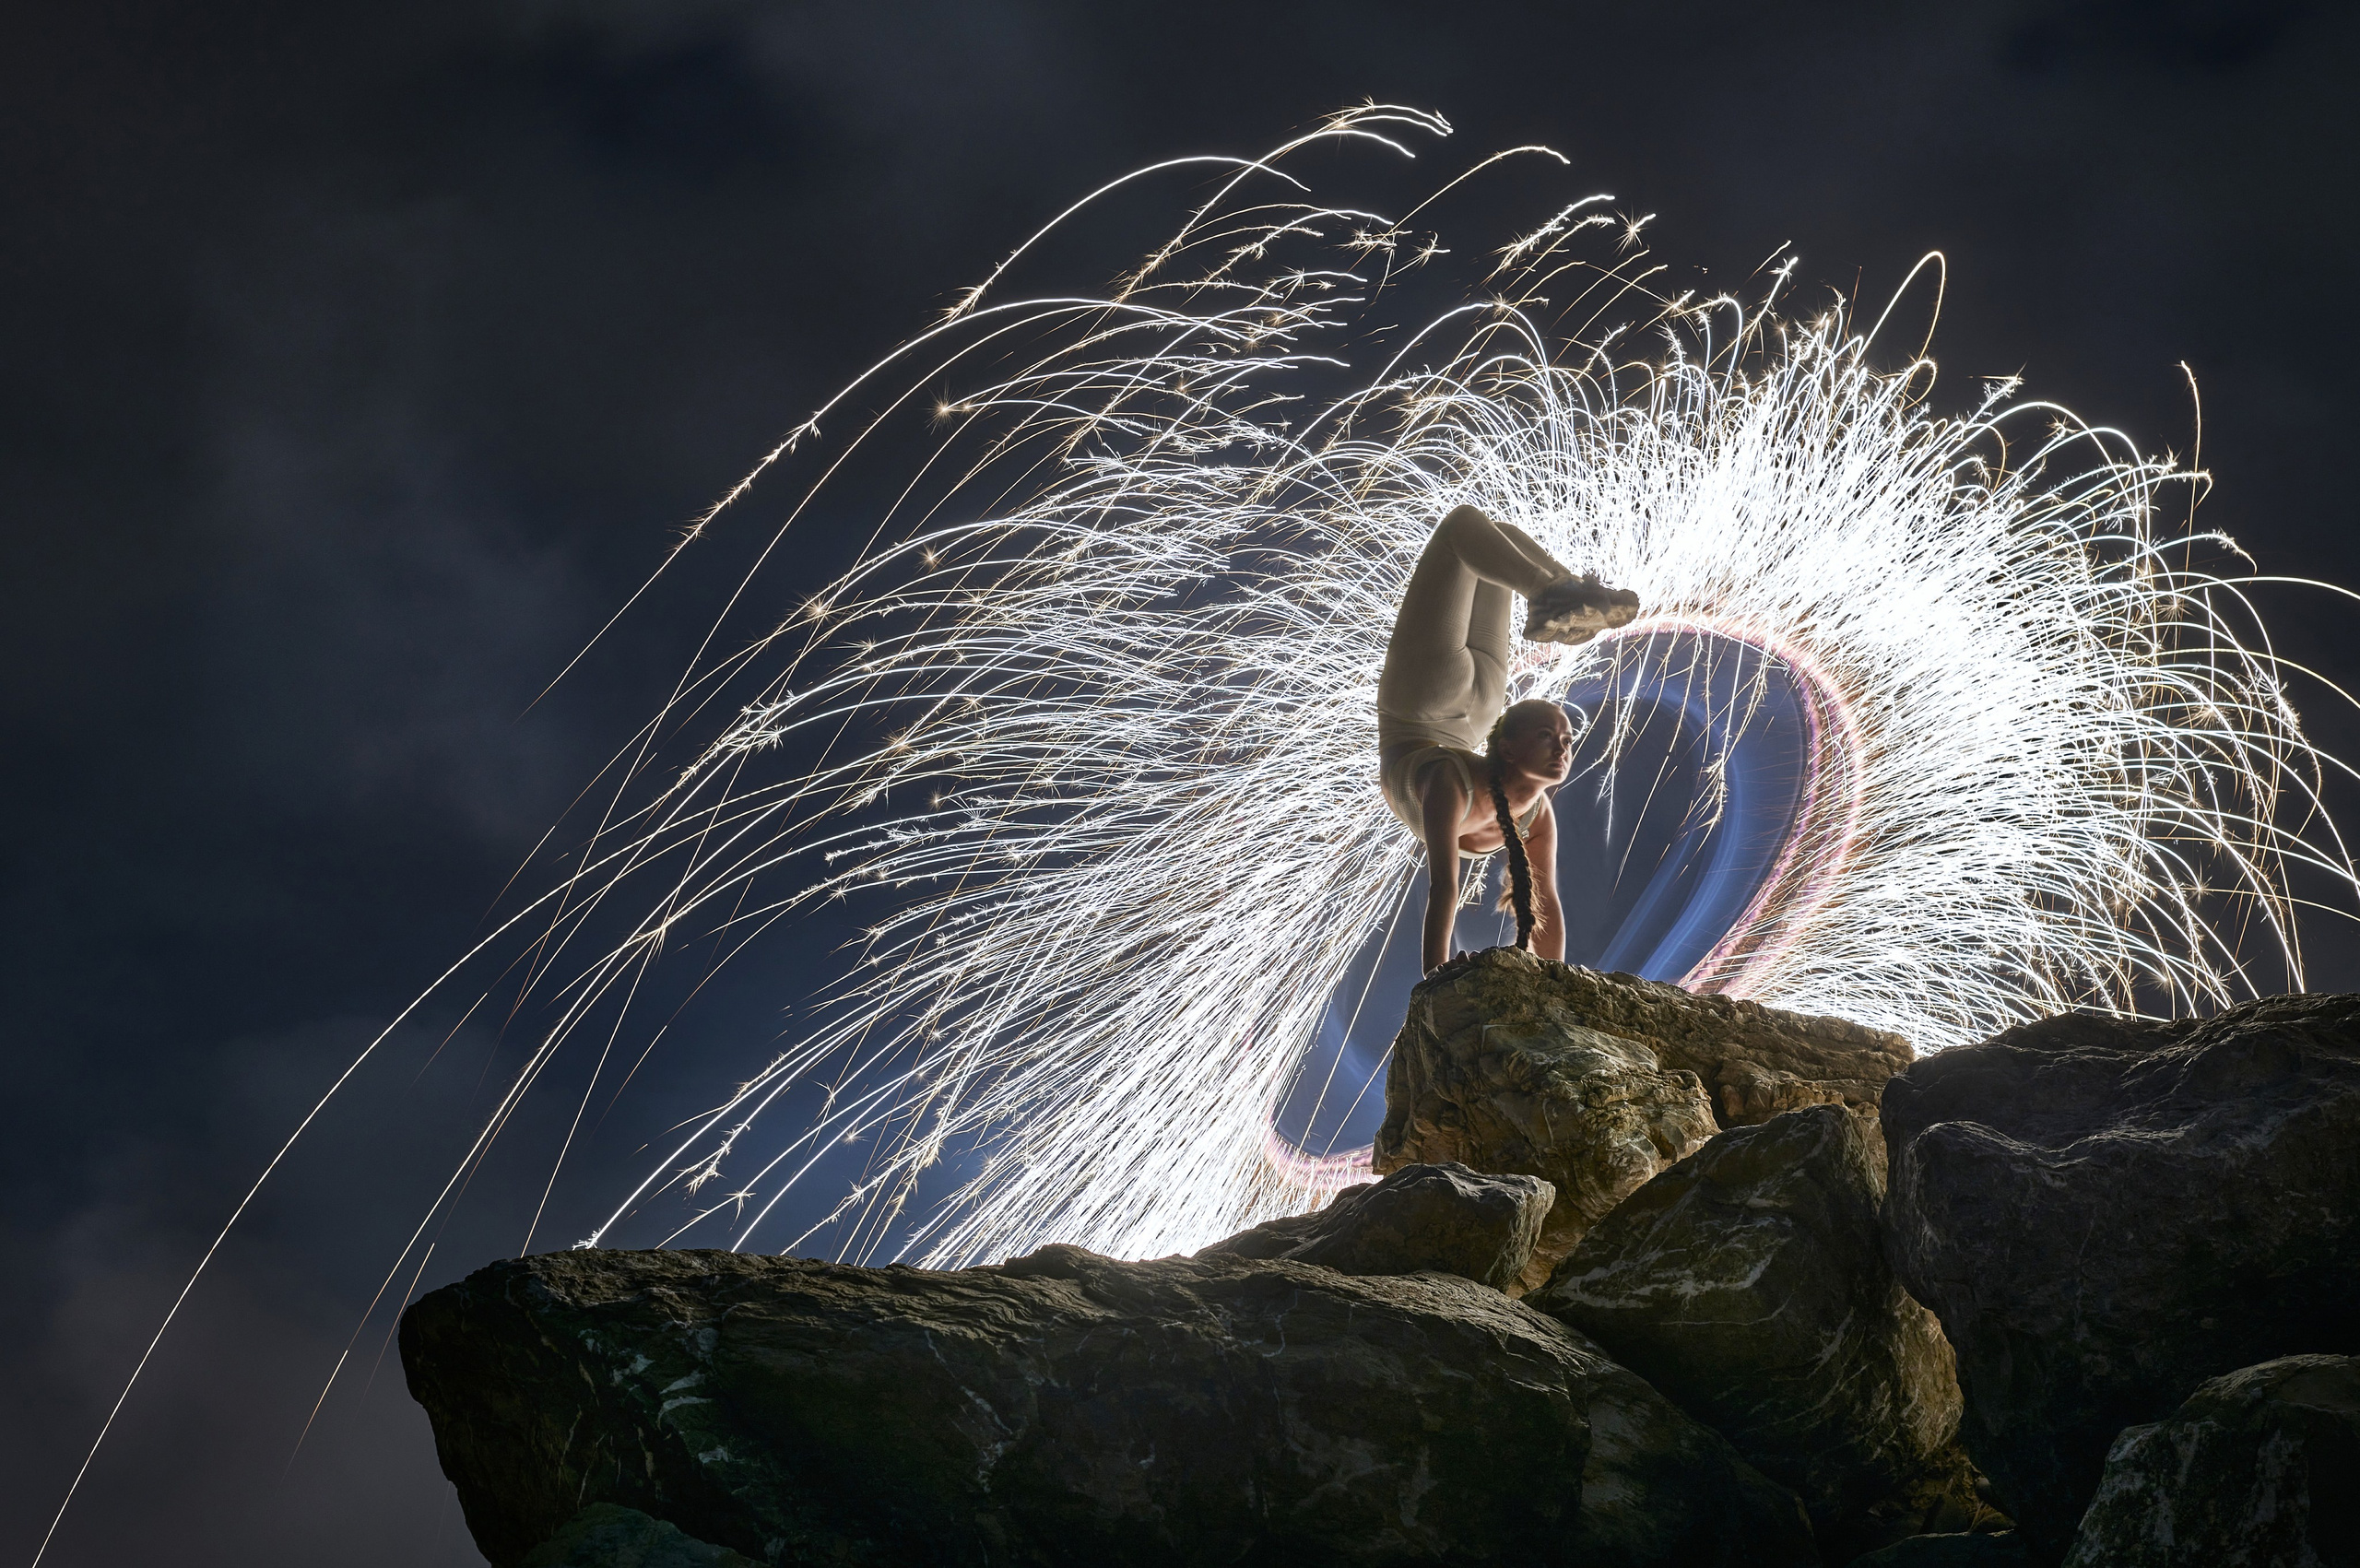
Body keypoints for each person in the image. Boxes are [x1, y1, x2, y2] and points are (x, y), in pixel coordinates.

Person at [1376, 503, 1639, 973]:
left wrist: (1558, 987)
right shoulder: (1525, 807)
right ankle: (1560, 592)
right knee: (1473, 535)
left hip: (1424, 709)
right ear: (1510, 750)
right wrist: (1434, 989)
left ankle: (1567, 594)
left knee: (1485, 536)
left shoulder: (1452, 787)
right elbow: (1445, 891)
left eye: (1566, 740)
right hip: (1469, 713)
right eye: (1550, 736)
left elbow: (1543, 903)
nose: (1563, 747)